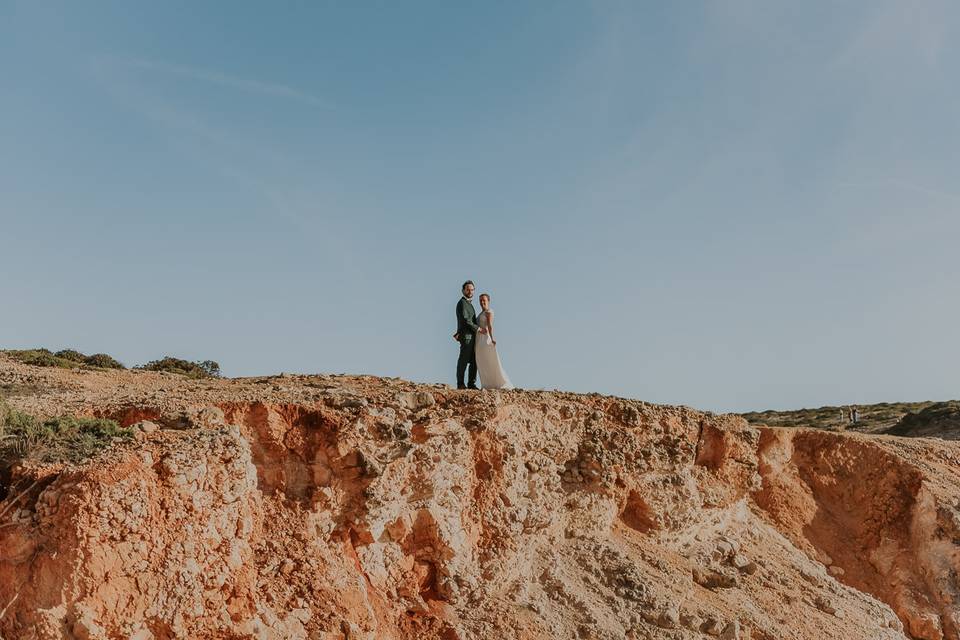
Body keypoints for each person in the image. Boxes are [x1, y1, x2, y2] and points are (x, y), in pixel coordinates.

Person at [474, 293, 513, 390]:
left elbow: (490, 326)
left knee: (491, 361)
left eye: (484, 300)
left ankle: (497, 382)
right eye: (480, 300)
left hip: (485, 340)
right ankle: (487, 384)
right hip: (478, 341)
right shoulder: (480, 314)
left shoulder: (489, 311)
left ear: (488, 301)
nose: (482, 302)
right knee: (482, 362)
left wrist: (492, 338)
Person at [453, 280, 483, 389]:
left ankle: (471, 383)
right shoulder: (462, 303)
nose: (470, 291)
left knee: (474, 361)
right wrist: (478, 329)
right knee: (463, 360)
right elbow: (466, 320)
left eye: (472, 289)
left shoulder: (469, 304)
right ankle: (460, 383)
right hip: (467, 337)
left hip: (472, 337)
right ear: (463, 290)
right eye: (468, 289)